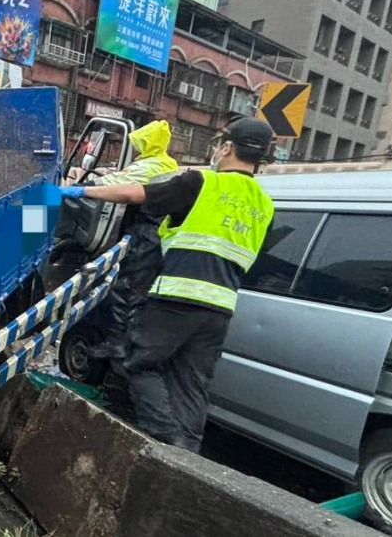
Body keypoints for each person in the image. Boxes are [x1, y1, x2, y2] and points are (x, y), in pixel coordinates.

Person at [60, 116, 276, 451]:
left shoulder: (201, 182)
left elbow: (134, 193)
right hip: (220, 309)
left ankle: (164, 441)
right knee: (192, 382)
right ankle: (187, 454)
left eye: (221, 144)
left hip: (177, 296)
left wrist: (79, 190)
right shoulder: (264, 205)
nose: (218, 150)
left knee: (135, 360)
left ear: (228, 147)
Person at [80, 120, 180, 362]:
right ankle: (120, 345)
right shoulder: (167, 164)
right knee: (131, 289)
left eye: (140, 144)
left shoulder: (154, 165)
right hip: (152, 230)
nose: (136, 149)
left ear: (150, 143)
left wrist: (82, 188)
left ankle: (118, 346)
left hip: (147, 231)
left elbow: (120, 184)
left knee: (127, 288)